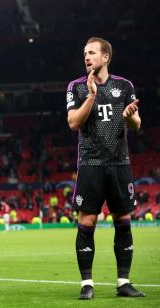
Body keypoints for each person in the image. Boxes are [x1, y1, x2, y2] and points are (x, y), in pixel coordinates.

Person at [66, 37, 144, 300]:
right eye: (84, 53)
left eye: (91, 53)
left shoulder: (124, 86)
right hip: (90, 163)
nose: (86, 57)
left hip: (119, 163)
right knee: (87, 222)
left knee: (123, 222)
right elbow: (73, 123)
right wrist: (90, 97)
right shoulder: (76, 87)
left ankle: (124, 282)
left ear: (105, 57)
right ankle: (86, 283)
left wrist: (130, 115)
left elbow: (136, 125)